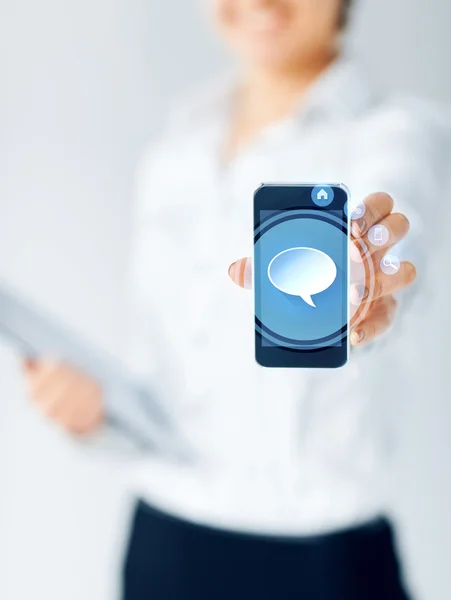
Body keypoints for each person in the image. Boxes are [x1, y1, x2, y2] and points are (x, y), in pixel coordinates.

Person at [21, 0, 447, 598]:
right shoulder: (174, 153)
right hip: (163, 546)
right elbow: (163, 379)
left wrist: (374, 274)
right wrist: (100, 414)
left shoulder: (396, 134)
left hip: (322, 564)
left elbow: (398, 216)